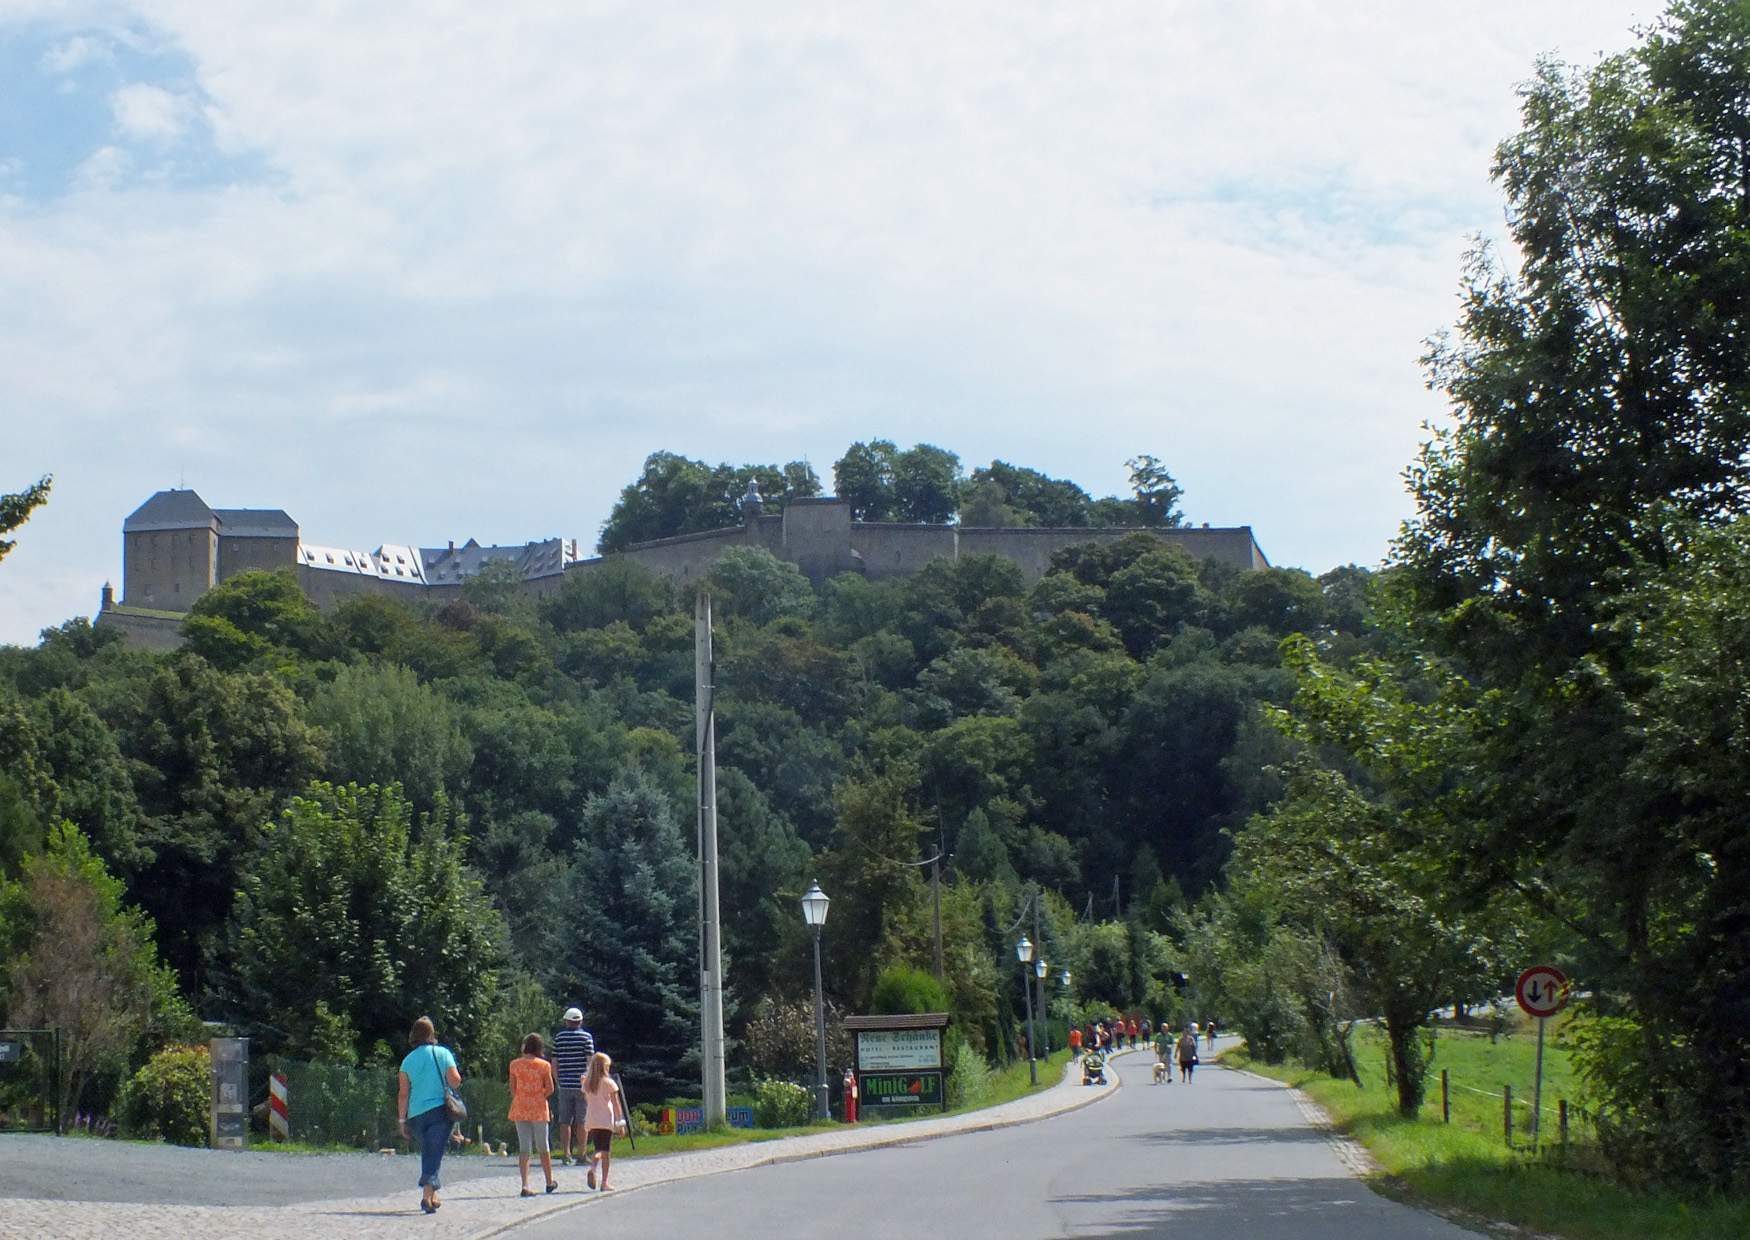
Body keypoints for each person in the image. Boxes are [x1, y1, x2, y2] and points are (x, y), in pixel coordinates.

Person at [397, 1015, 462, 1215]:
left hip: (416, 1115)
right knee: (434, 1152)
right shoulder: (442, 1053)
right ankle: (426, 1196)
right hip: (439, 1112)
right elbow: (455, 1081)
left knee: (430, 1151)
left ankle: (433, 1196)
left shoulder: (407, 1061)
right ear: (431, 1033)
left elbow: (403, 1093)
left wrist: (401, 1120)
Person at [508, 1033, 557, 1197]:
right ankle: (549, 1181)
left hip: (520, 1107)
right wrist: (538, 1093)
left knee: (524, 1148)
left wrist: (524, 1094)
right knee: (543, 1146)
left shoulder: (515, 1065)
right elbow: (550, 1088)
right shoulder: (544, 1066)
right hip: (538, 1108)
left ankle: (525, 1184)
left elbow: (513, 1089)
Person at [551, 1006, 596, 1169]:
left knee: (565, 1121)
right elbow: (590, 1061)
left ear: (566, 1021)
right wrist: (588, 1081)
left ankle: (566, 1154)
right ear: (580, 1021)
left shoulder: (559, 1037)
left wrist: (558, 1081)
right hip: (582, 1084)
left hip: (565, 1085)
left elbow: (554, 1062)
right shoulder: (586, 1037)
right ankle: (582, 1154)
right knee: (582, 1120)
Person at [581, 1052, 625, 1191]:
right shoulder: (609, 1083)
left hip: (592, 1119)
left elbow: (587, 1100)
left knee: (598, 1146)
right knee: (605, 1151)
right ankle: (602, 1179)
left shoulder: (587, 1083)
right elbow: (616, 1104)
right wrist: (620, 1122)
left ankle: (594, 1170)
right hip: (605, 1120)